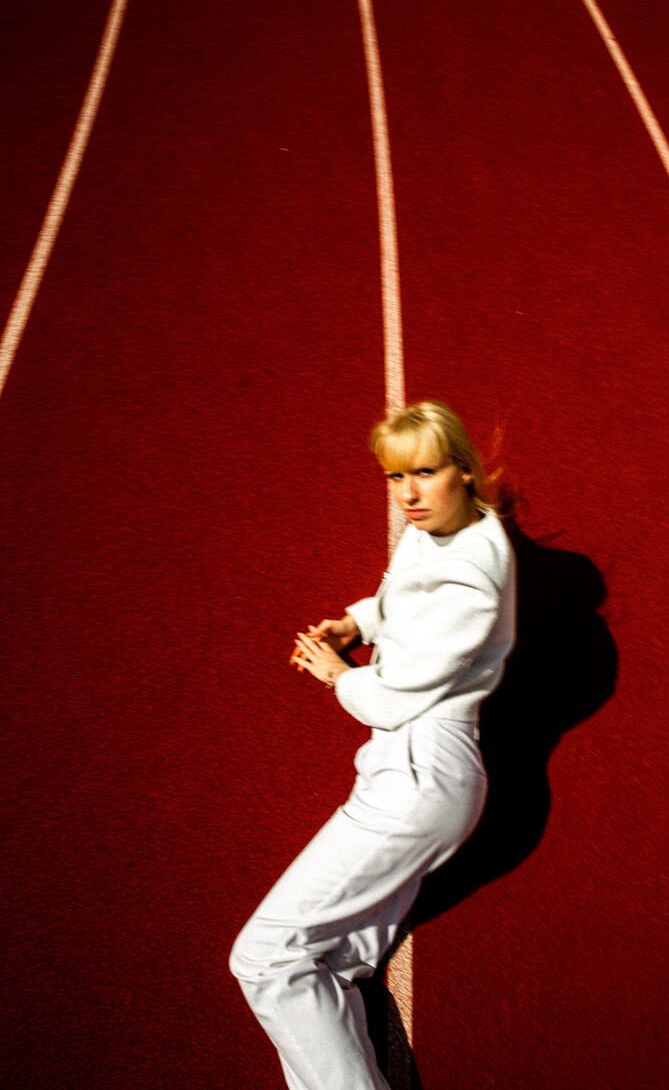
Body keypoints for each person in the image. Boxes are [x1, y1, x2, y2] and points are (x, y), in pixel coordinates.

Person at [229, 400, 516, 1090]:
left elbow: (392, 696)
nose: (408, 494)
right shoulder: (442, 526)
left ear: (465, 472)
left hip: (421, 776)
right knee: (323, 964)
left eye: (424, 472)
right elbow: (398, 600)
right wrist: (354, 622)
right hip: (406, 770)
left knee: (265, 957)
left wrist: (338, 677)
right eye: (393, 477)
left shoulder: (473, 577)